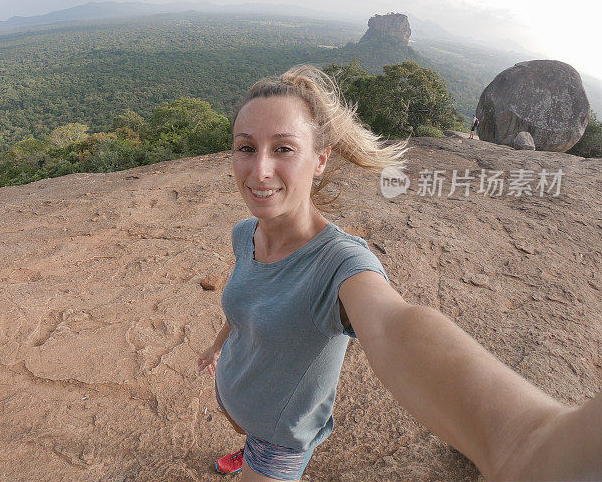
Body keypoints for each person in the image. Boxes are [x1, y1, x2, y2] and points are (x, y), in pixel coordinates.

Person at [196, 65, 601, 482]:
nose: (259, 170)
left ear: (320, 159)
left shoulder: (339, 264)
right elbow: (247, 301)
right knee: (247, 432)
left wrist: (524, 442)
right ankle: (245, 445)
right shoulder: (245, 233)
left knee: (260, 447)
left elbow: (394, 326)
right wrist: (217, 348)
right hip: (236, 398)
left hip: (278, 443)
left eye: (283, 149)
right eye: (246, 148)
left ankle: (254, 451)